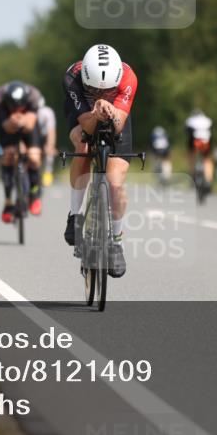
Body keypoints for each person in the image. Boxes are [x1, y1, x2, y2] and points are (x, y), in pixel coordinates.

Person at [63, 44, 137, 278]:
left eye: (107, 91)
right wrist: (95, 112)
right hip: (84, 114)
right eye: (93, 90)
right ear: (85, 79)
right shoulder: (72, 77)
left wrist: (110, 110)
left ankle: (116, 241)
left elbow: (118, 127)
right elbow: (85, 125)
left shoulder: (128, 77)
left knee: (115, 183)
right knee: (82, 144)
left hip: (117, 117)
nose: (100, 94)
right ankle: (75, 215)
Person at [0, 80, 44, 223]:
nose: (17, 110)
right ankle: (8, 202)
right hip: (6, 124)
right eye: (14, 108)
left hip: (30, 127)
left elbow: (30, 125)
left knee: (34, 157)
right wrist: (14, 120)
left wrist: (21, 120)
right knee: (8, 155)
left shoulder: (34, 96)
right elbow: (7, 127)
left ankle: (35, 193)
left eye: (21, 107)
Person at [184, 109, 214, 192]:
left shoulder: (190, 120)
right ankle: (208, 180)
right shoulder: (207, 120)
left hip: (195, 141)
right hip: (206, 141)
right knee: (207, 159)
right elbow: (212, 130)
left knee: (191, 156)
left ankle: (193, 175)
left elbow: (186, 131)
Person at [37, 96, 57, 187]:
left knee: (49, 154)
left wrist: (50, 146)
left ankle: (47, 174)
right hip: (34, 135)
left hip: (44, 135)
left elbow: (51, 131)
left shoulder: (47, 112)